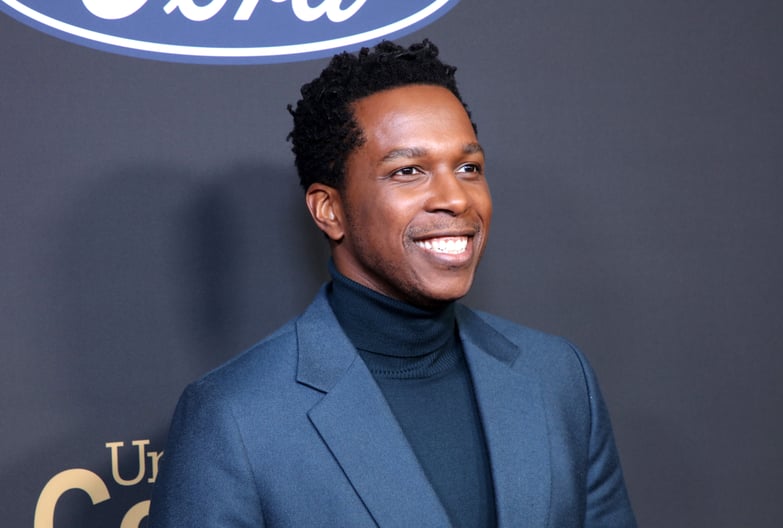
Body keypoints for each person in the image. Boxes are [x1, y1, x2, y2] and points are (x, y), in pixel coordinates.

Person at [149, 40, 636, 528]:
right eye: (408, 172)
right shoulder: (235, 417)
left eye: (468, 168)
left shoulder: (558, 377)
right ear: (329, 210)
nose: (455, 198)